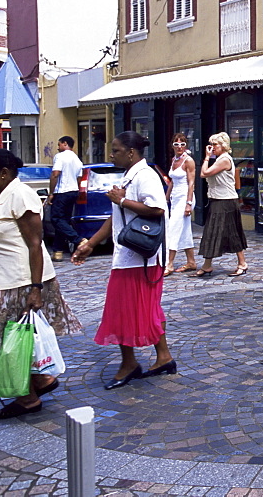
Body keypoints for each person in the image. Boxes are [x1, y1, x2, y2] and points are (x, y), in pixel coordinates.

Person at [0, 149, 82, 419]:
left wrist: (36, 289)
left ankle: (27, 398)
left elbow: (36, 244)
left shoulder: (20, 195)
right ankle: (40, 382)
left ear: (4, 173)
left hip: (21, 282)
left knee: (13, 341)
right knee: (18, 338)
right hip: (1, 280)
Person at [71, 132, 176, 390]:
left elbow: (158, 209)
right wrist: (91, 243)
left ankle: (132, 363)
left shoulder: (145, 176)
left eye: (115, 150)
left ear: (131, 152)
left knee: (127, 309)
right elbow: (115, 217)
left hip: (141, 258)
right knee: (137, 308)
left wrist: (123, 199)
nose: (111, 154)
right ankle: (161, 358)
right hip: (130, 256)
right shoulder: (130, 175)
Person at [195, 132, 248, 277]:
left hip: (226, 201)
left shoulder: (224, 159)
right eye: (211, 144)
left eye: (215, 145)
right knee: (214, 231)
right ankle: (207, 265)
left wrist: (207, 157)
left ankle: (242, 263)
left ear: (223, 145)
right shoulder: (219, 159)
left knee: (230, 232)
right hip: (218, 200)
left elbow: (204, 173)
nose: (212, 147)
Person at [164, 133, 197, 276]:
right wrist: (166, 198)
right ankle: (191, 261)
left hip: (185, 197)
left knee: (173, 228)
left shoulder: (188, 161)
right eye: (177, 144)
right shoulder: (174, 160)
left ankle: (169, 264)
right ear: (172, 145)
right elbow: (172, 181)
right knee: (184, 231)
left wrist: (188, 204)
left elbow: (191, 183)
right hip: (175, 197)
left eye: (182, 144)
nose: (179, 147)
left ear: (186, 146)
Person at [47, 135, 85, 262]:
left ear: (65, 143)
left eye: (59, 145)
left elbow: (55, 174)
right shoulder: (77, 160)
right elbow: (79, 178)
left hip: (61, 191)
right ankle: (58, 251)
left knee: (56, 219)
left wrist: (51, 193)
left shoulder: (60, 157)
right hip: (73, 191)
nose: (58, 148)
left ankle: (78, 239)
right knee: (63, 221)